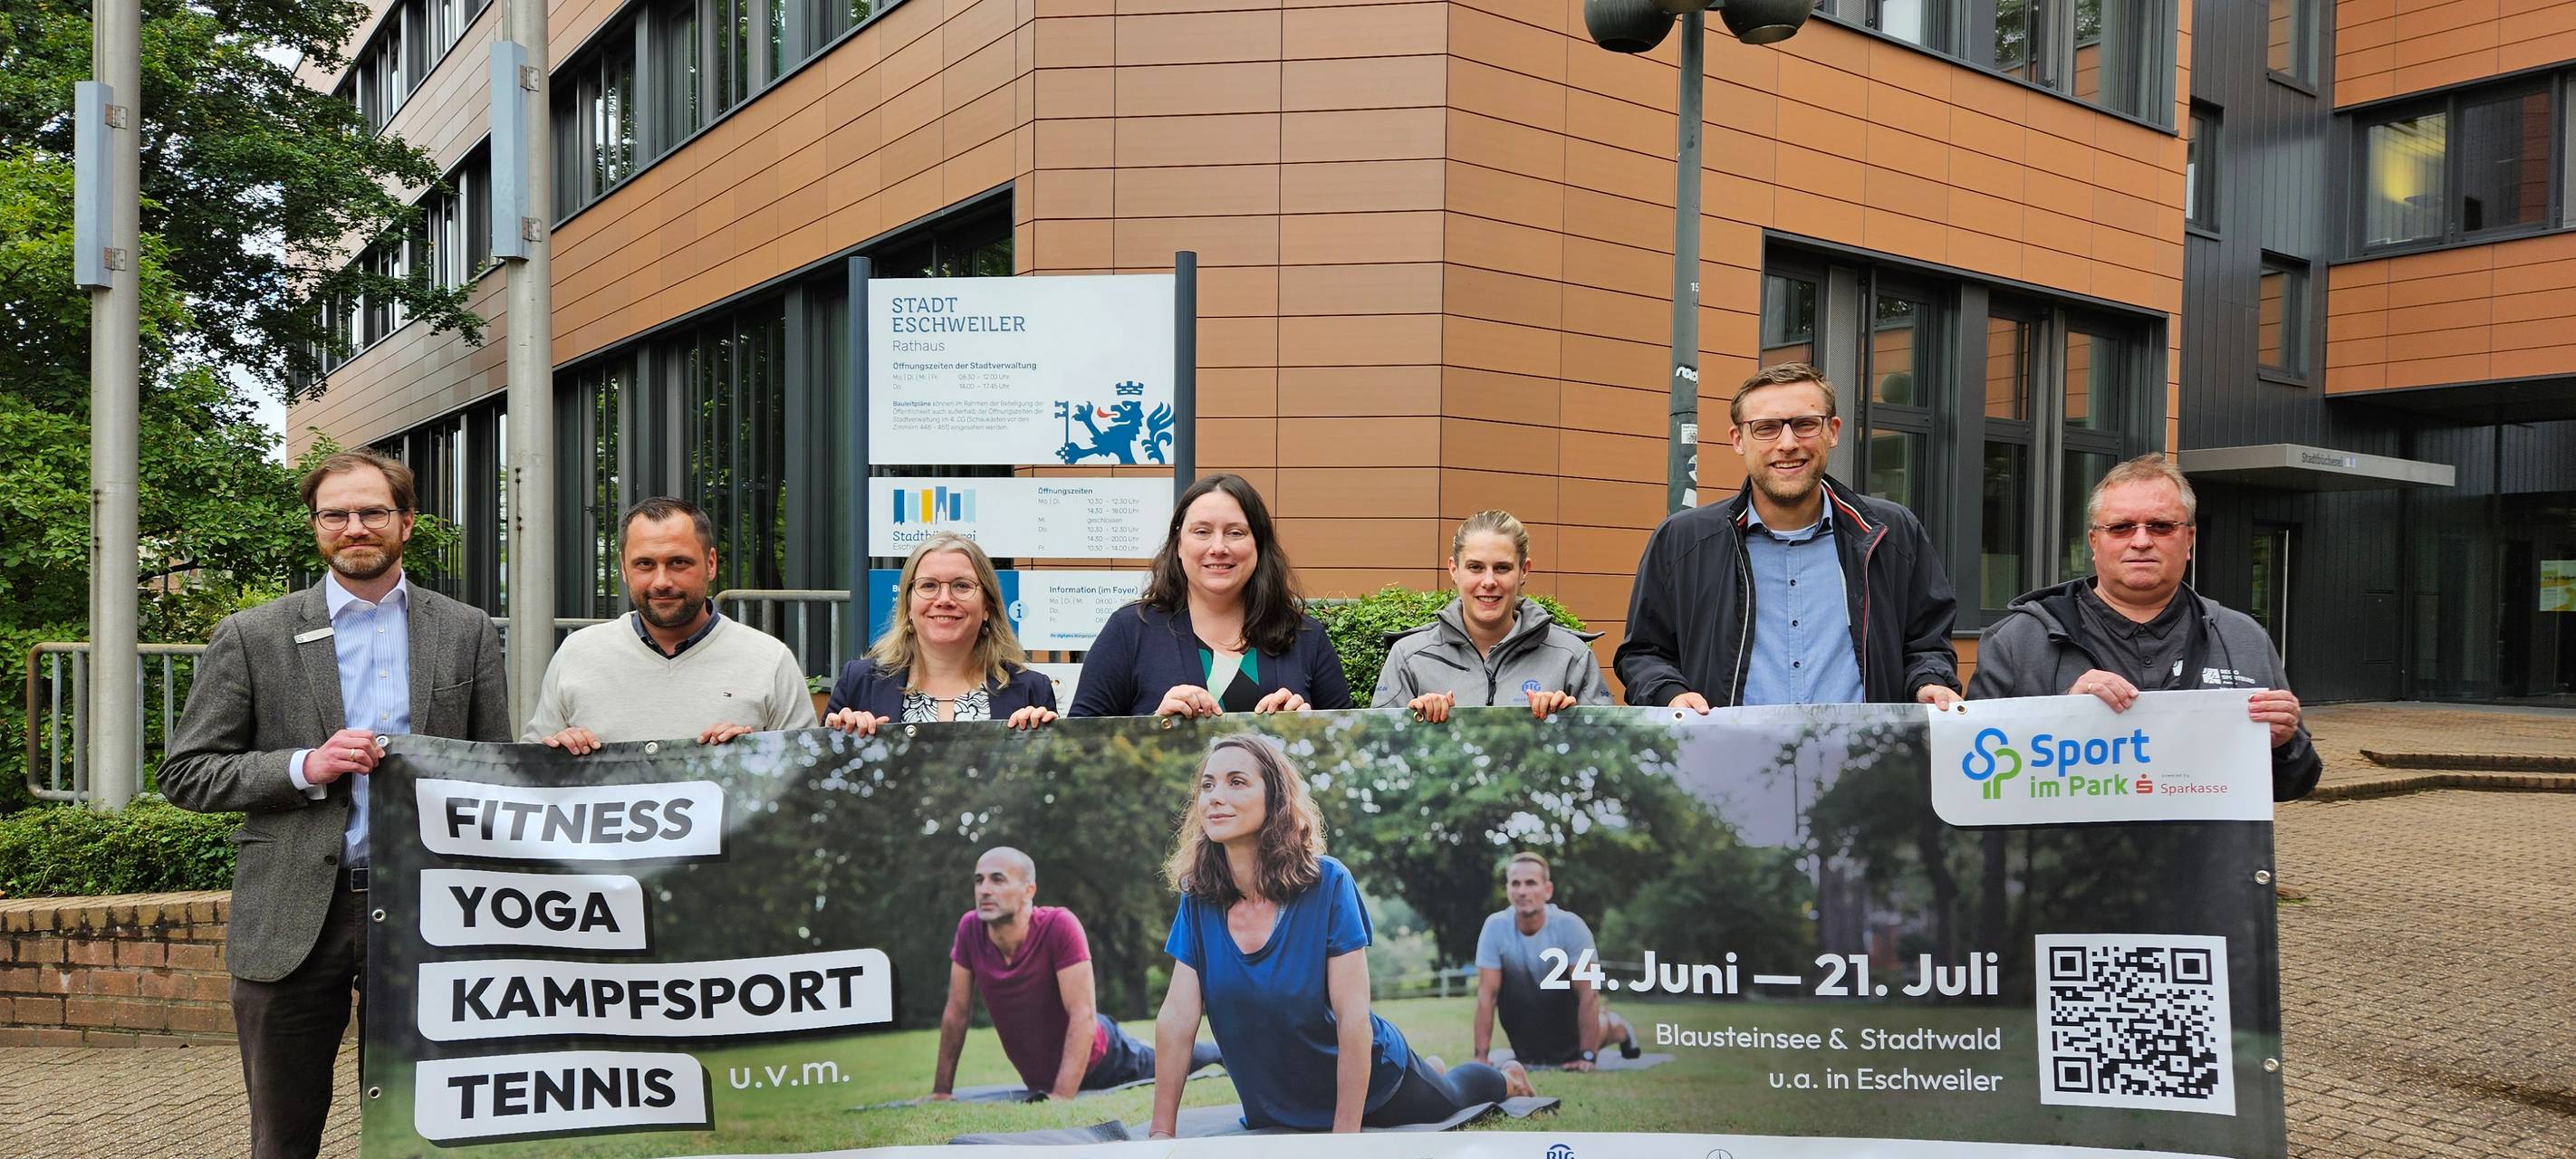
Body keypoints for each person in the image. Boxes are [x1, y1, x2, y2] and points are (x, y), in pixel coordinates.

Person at [162, 449, 510, 1159]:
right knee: (283, 1138)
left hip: (430, 911)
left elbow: (494, 770)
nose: (355, 527)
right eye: (336, 515)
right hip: (291, 914)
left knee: (424, 1133)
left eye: (372, 512)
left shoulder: (466, 629)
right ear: (316, 526)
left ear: (406, 522)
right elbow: (188, 773)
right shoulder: (253, 635)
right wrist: (304, 766)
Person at [1149, 735, 1526, 1136]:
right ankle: (1432, 1067)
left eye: (1236, 782)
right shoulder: (1199, 898)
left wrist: (1344, 1136)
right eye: (1207, 785)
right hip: (1278, 1103)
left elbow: (1352, 1016)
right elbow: (1177, 1018)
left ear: (1275, 798)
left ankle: (1508, 1079)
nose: (1215, 797)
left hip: (1377, 1087)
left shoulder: (1328, 882)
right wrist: (1160, 1133)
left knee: (1454, 1094)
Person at [1967, 455, 2321, 800]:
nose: (2140, 541)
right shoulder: (2017, 642)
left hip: (2211, 843)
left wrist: (2284, 744)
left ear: (2189, 539)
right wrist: (2065, 718)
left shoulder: (2242, 638)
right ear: (2094, 542)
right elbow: (1973, 776)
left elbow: (2294, 785)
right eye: (2121, 527)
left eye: (2161, 526)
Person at [1616, 362, 1962, 711]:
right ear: (1738, 440)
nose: (1787, 443)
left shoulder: (1892, 534)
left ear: (1833, 432)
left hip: (1864, 745)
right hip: (1727, 746)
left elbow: (1927, 643)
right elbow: (1644, 652)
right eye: (1766, 428)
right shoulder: (1682, 541)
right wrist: (1671, 694)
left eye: (1805, 424)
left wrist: (1928, 681)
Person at [524, 496, 815, 752]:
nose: (661, 581)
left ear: (711, 563)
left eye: (678, 563)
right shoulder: (577, 653)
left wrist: (755, 759)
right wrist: (554, 756)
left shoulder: (769, 660)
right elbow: (526, 775)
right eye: (645, 564)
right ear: (624, 568)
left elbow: (806, 776)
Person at [930, 848, 1219, 1100]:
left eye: (998, 879)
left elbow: (1082, 1014)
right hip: (1043, 1076)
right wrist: (941, 1092)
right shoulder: (970, 929)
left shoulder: (1059, 925)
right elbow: (956, 1011)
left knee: (1166, 1061)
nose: (984, 889)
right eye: (979, 880)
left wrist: (1061, 1096)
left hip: (1105, 1060)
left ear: (1029, 891)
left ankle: (1218, 1053)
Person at [1071, 474, 1352, 718]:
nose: (1218, 548)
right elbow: (1076, 746)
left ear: (1259, 545)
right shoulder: (1130, 631)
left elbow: (1353, 749)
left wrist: (1310, 730)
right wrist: (1154, 728)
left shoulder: (1306, 638)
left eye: (1235, 533)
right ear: (1178, 544)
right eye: (1202, 531)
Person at [1375, 511, 1610, 722]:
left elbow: (1608, 746)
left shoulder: (1571, 657)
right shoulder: (1409, 657)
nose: (1489, 582)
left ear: (1524, 571)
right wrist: (1414, 727)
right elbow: (1378, 747)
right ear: (1454, 570)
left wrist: (1572, 725)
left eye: (1502, 568)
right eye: (1475, 567)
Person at [822, 534, 1056, 737]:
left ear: (987, 606)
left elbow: (1052, 773)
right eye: (929, 586)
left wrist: (1040, 744)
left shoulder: (1032, 690)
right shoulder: (859, 682)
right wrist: (841, 741)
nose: (944, 599)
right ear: (908, 605)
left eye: (962, 586)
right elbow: (822, 770)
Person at [1470, 852, 1639, 1070]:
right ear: (1508, 889)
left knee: (1603, 1026)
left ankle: (1619, 1027)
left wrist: (1587, 1056)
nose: (1522, 891)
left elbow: (1588, 993)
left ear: (1547, 890)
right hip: (1527, 1030)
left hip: (1571, 1026)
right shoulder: (1494, 927)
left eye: (1531, 883)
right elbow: (1487, 995)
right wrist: (1481, 1057)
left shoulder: (1571, 927)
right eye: (1515, 884)